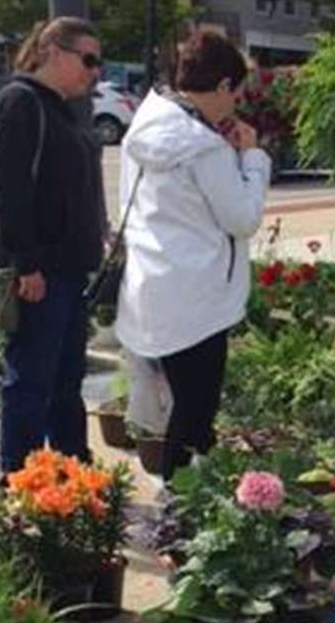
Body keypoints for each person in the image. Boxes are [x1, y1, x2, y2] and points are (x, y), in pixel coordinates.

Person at [116, 32, 272, 480]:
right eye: (236, 94)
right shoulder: (205, 147)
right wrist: (254, 159)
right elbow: (242, 218)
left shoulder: (144, 128)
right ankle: (178, 509)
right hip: (199, 298)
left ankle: (188, 498)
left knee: (187, 410)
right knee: (195, 416)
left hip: (153, 288)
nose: (235, 106)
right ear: (222, 86)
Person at [0, 18, 106, 473]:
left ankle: (73, 472)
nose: (94, 71)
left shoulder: (57, 108)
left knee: (66, 380)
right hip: (40, 271)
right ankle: (21, 480)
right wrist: (27, 263)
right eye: (88, 59)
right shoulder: (19, 103)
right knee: (30, 381)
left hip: (67, 270)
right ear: (53, 50)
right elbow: (7, 190)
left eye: (99, 62)